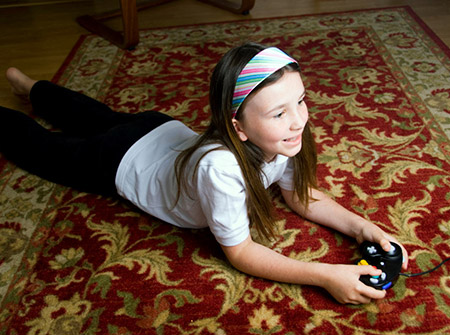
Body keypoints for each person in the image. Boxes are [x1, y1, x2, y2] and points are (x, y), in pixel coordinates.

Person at [0, 42, 408, 304]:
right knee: (47, 150)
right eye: (279, 112)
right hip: (121, 160)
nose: (298, 120)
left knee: (93, 114)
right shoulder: (221, 168)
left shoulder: (282, 137)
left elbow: (300, 195)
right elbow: (241, 252)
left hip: (159, 128)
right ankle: (17, 102)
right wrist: (324, 275)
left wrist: (361, 227)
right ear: (239, 127)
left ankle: (31, 87)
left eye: (300, 101)